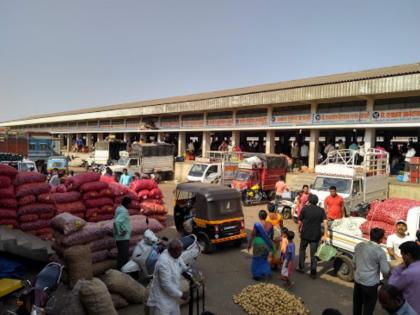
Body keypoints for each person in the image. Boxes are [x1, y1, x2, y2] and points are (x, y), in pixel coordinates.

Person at [353, 228, 390, 315]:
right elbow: (385, 270)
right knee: (368, 307)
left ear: (370, 236)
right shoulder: (380, 252)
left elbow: (354, 262)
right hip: (370, 284)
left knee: (357, 305)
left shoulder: (359, 245)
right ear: (381, 239)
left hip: (358, 280)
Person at [147, 239, 189, 315]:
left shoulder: (176, 255)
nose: (180, 253)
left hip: (172, 296)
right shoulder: (163, 262)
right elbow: (166, 285)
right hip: (162, 300)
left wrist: (191, 274)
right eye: (179, 252)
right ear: (171, 251)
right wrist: (181, 294)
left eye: (181, 251)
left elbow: (183, 266)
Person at [297, 194, 328, 279]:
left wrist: (298, 230)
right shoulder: (321, 210)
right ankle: (313, 273)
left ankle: (301, 267)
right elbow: (325, 223)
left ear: (309, 201)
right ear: (317, 201)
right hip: (315, 235)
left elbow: (299, 222)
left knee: (302, 250)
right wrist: (325, 234)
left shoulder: (305, 209)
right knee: (314, 254)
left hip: (305, 234)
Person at [389, 241, 420, 314]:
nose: (402, 257)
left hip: (410, 310)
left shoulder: (409, 272)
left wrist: (398, 269)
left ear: (408, 255)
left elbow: (392, 287)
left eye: (402, 255)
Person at [247, 210, 274, 280]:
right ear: (266, 216)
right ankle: (266, 272)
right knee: (264, 259)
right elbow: (271, 237)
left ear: (259, 217)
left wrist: (249, 244)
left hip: (258, 244)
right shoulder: (270, 225)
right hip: (266, 246)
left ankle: (256, 275)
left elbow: (252, 235)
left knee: (256, 259)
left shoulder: (257, 225)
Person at [113, 196, 131, 269]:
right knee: (124, 256)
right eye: (130, 204)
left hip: (119, 238)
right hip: (123, 238)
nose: (130, 206)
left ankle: (120, 271)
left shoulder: (119, 209)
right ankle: (122, 271)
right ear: (127, 204)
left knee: (121, 255)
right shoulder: (124, 212)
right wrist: (119, 232)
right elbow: (116, 222)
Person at [266, 203, 282, 270]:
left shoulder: (267, 218)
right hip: (278, 235)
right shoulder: (279, 216)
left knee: (270, 252)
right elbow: (281, 226)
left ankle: (268, 268)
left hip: (271, 236)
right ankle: (275, 265)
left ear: (268, 209)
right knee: (277, 250)